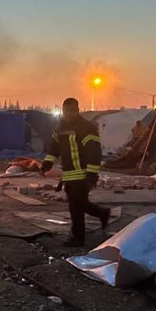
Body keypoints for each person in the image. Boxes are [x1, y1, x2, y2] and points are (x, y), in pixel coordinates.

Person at [41, 98, 109, 246]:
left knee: (75, 206)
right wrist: (47, 164)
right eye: (66, 111)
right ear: (63, 111)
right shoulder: (60, 128)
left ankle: (78, 238)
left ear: (77, 110)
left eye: (72, 111)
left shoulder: (87, 128)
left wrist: (92, 175)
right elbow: (54, 148)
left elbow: (94, 153)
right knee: (80, 203)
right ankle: (103, 213)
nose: (69, 114)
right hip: (69, 174)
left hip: (83, 173)